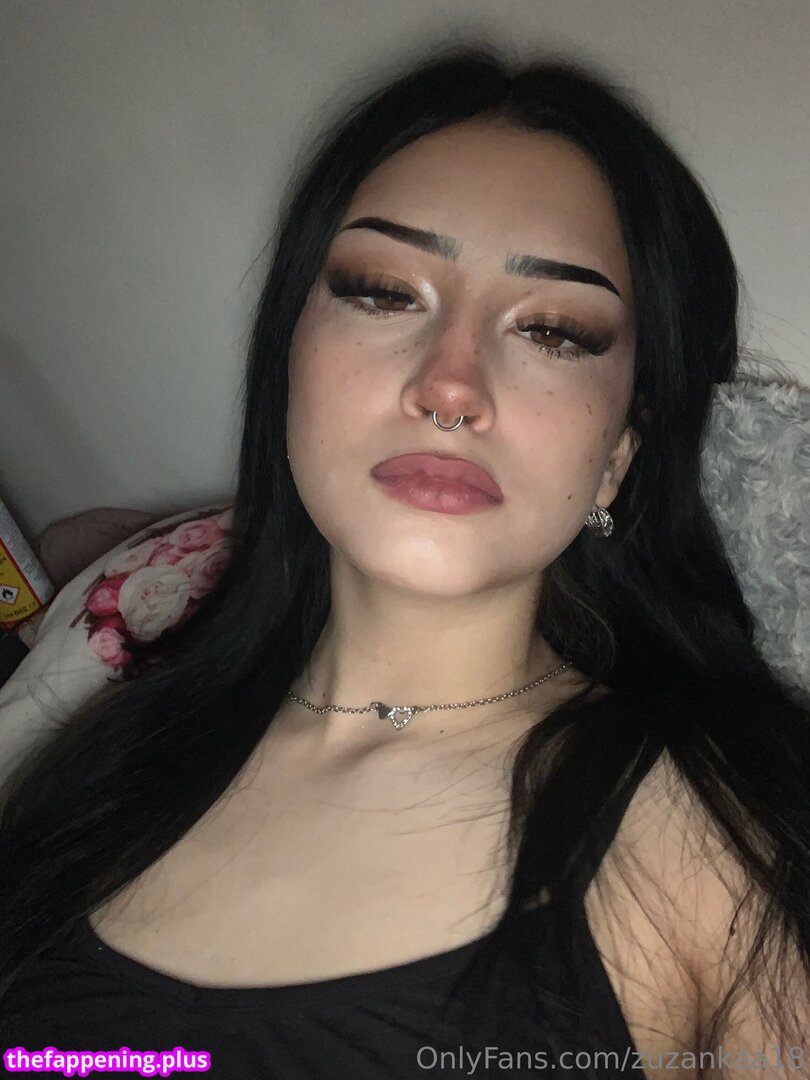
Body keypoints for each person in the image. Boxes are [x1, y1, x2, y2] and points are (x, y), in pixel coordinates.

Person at [2, 44, 809, 1080]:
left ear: (618, 454)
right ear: (290, 361)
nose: (451, 386)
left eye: (556, 331)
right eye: (384, 292)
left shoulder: (727, 831)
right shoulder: (102, 761)